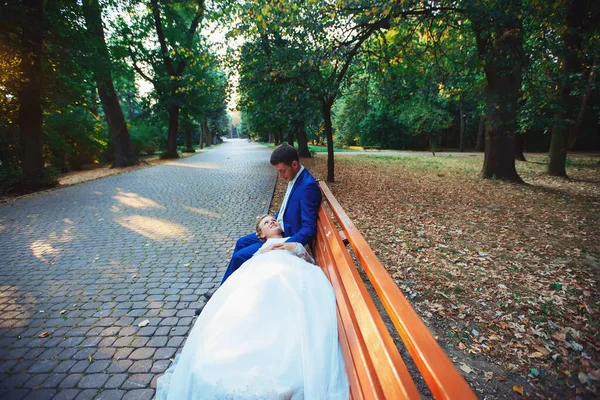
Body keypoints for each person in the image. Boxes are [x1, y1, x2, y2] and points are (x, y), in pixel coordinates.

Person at [155, 215, 349, 400]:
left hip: (288, 274)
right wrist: (263, 254)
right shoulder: (260, 249)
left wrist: (292, 248)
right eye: (266, 222)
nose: (272, 221)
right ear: (261, 235)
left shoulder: (292, 241)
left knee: (276, 287)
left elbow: (310, 261)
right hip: (260, 274)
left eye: (273, 219)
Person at [220, 143, 321, 284]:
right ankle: (227, 285)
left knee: (240, 257)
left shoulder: (307, 187)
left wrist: (284, 244)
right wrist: (268, 221)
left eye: (282, 171)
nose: (280, 176)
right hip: (278, 230)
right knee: (241, 242)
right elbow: (286, 209)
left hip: (286, 237)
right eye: (278, 171)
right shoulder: (296, 178)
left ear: (294, 164)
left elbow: (309, 228)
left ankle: (227, 290)